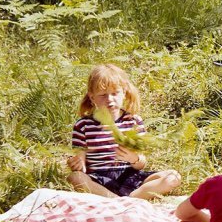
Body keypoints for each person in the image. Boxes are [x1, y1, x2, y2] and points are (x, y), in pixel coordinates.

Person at [67, 64, 182, 199]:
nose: (110, 100)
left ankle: (129, 198)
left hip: (129, 177)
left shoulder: (133, 121)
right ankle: (117, 200)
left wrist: (134, 158)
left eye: (115, 93)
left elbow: (141, 163)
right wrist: (77, 163)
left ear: (124, 93)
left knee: (173, 177)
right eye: (103, 95)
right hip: (99, 179)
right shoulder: (83, 126)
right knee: (75, 177)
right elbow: (80, 161)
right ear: (92, 98)